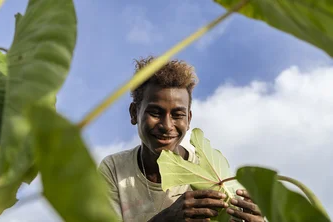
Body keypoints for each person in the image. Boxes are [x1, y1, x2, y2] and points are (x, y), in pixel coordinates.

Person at [98, 56, 264, 222]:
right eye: (155, 113)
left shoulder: (210, 172)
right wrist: (165, 219)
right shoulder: (114, 169)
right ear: (134, 113)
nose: (167, 125)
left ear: (189, 119)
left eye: (177, 115)